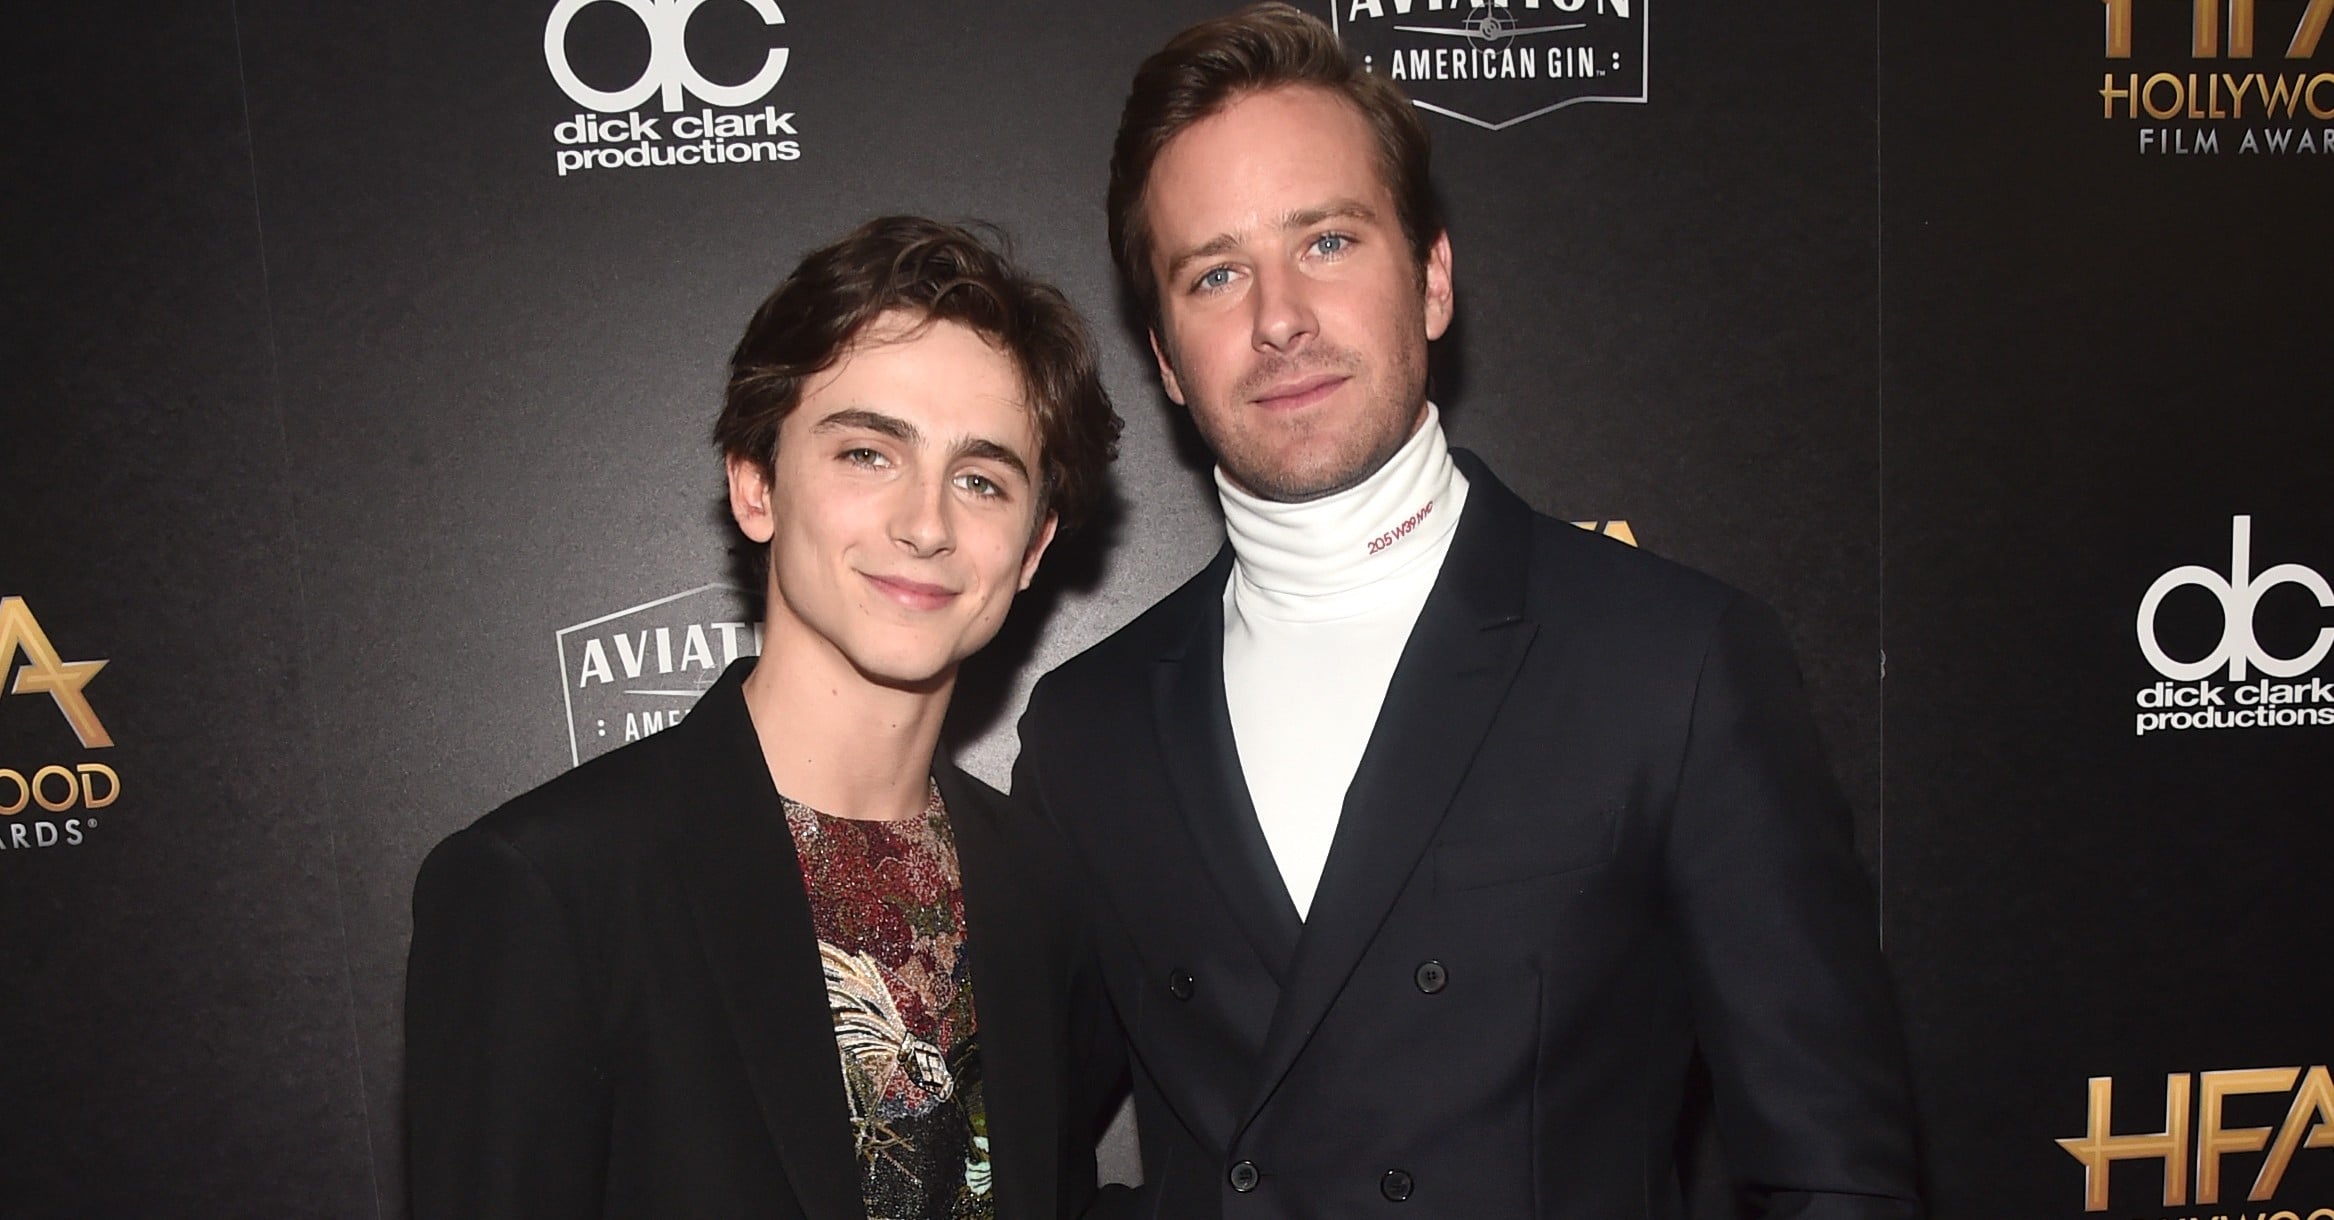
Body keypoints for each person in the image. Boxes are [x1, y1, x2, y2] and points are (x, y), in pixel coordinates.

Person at [1011, 6, 1924, 1216]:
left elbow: (1832, 1177)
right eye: (1216, 272)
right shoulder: (1090, 730)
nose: (1278, 315)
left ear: (1433, 278)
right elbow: (1016, 1164)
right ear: (1168, 359)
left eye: (1327, 241)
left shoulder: (1672, 662)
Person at [405, 216, 1125, 1220]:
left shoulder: (1042, 888)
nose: (926, 522)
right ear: (755, 483)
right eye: (869, 453)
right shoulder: (551, 888)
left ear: (1034, 545)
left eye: (981, 477)